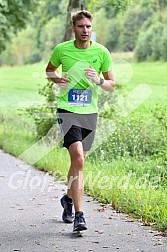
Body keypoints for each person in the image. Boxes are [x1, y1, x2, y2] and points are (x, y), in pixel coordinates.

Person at [46, 10, 115, 232]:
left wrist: (99, 79)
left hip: (89, 113)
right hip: (67, 110)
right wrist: (58, 79)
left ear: (91, 28)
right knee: (79, 159)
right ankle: (79, 215)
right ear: (73, 28)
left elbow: (111, 85)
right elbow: (49, 71)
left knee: (78, 163)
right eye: (80, 26)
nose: (85, 30)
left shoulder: (101, 52)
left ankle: (67, 199)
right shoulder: (62, 50)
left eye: (88, 27)